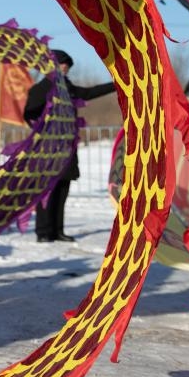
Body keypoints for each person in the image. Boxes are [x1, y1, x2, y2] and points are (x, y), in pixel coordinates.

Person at [23, 49, 116, 243]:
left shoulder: (67, 87)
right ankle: (43, 231)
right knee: (46, 191)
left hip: (66, 147)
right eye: (62, 64)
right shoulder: (42, 87)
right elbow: (29, 113)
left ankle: (58, 230)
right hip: (47, 150)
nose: (66, 68)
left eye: (67, 65)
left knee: (62, 188)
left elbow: (88, 93)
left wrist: (116, 84)